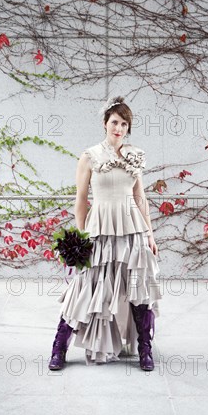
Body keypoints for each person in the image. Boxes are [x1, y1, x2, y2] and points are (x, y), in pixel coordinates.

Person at [48, 96, 162, 371]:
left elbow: (140, 196)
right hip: (98, 228)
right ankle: (59, 348)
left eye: (124, 124)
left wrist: (150, 234)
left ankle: (145, 349)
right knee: (85, 288)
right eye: (115, 122)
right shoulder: (89, 156)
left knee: (139, 287)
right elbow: (80, 199)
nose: (119, 128)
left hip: (132, 228)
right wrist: (81, 235)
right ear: (105, 124)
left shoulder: (135, 155)